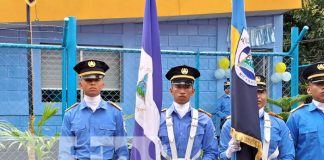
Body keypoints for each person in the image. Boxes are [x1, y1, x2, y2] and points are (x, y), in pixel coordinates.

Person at [59, 60, 128, 160]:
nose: (92, 83)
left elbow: (121, 149)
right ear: (80, 84)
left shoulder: (115, 113)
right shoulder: (70, 114)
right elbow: (65, 151)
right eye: (88, 80)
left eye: (97, 80)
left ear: (102, 84)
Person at [219, 75, 295, 160]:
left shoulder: (278, 123)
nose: (257, 96)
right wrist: (228, 153)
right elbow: (221, 156)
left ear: (266, 94)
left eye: (261, 92)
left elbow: (288, 155)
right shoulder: (231, 124)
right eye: (252, 92)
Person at [159, 65, 218, 159]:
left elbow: (211, 151)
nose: (182, 91)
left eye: (187, 87)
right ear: (171, 90)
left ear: (193, 91)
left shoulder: (204, 120)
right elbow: (149, 149)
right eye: (178, 86)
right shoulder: (159, 119)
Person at [286, 61, 324, 160]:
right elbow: (287, 152)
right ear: (308, 89)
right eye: (319, 83)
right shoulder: (297, 116)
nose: (323, 86)